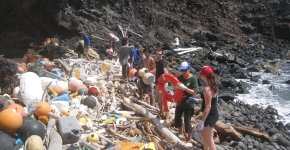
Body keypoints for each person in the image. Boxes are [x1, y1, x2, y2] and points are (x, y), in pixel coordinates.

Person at [174, 62, 198, 142]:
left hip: (189, 103)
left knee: (187, 122)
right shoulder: (180, 77)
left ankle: (189, 138)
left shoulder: (193, 79)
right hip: (180, 101)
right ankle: (180, 133)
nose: (183, 72)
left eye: (185, 70)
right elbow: (176, 87)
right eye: (182, 70)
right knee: (177, 118)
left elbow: (194, 92)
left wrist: (184, 88)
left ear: (189, 69)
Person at [196, 66, 219, 150]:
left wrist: (201, 121)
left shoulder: (207, 89)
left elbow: (208, 106)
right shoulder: (212, 86)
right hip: (212, 114)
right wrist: (197, 100)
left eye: (201, 74)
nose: (200, 76)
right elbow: (210, 100)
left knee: (210, 140)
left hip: (210, 115)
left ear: (204, 76)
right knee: (203, 135)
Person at [154, 49, 170, 125]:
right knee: (158, 99)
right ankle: (161, 112)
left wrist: (165, 78)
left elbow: (165, 70)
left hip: (162, 84)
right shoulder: (157, 62)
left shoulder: (163, 62)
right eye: (157, 54)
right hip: (158, 83)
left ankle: (167, 118)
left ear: (162, 55)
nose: (158, 56)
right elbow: (157, 71)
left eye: (160, 55)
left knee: (164, 100)